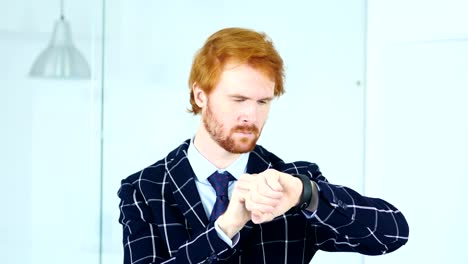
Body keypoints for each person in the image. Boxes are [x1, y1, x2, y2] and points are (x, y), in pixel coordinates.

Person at [117, 27, 409, 264]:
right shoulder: (145, 188)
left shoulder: (290, 183)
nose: (251, 116)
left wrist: (304, 192)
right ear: (200, 96)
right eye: (239, 99)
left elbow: (392, 234)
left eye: (263, 102)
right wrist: (224, 229)